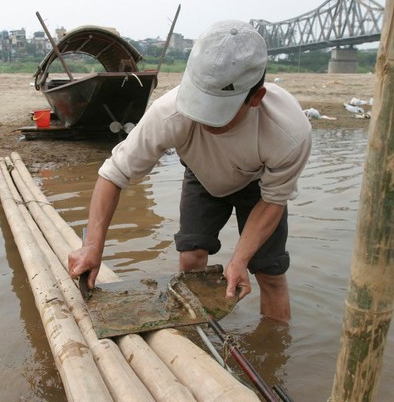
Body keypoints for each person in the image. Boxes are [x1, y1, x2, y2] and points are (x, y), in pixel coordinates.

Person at [67, 20, 312, 322]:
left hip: (259, 188)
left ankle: (276, 350)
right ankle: (198, 332)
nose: (203, 120)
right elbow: (113, 174)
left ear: (255, 98)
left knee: (270, 272)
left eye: (217, 113)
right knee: (191, 258)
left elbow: (275, 199)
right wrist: (92, 245)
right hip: (202, 175)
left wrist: (239, 260)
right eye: (199, 106)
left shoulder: (289, 132)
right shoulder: (169, 113)